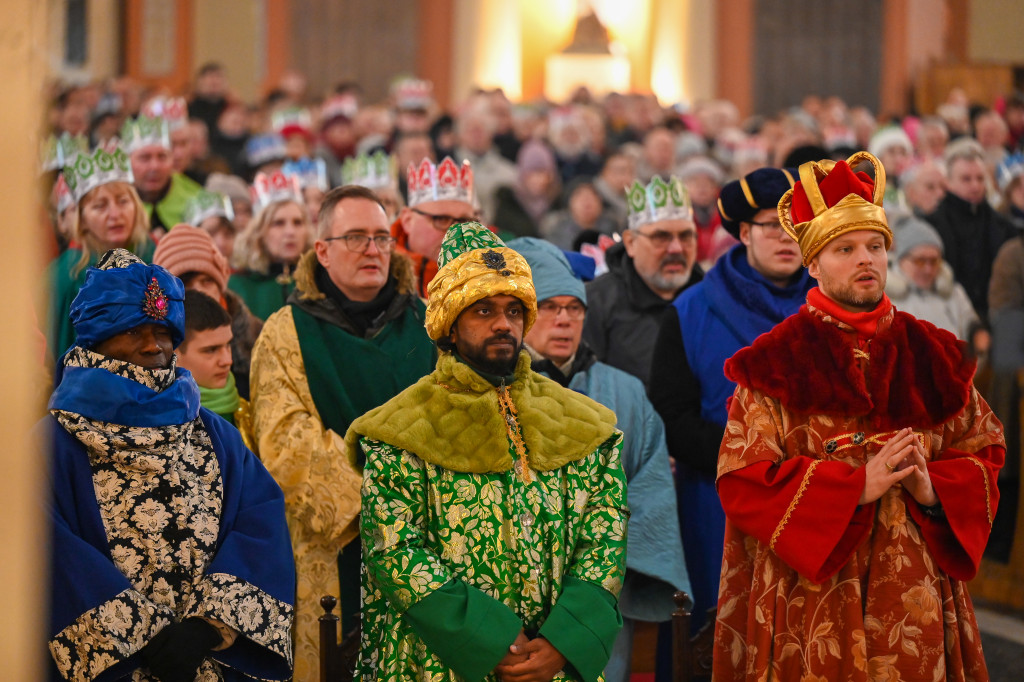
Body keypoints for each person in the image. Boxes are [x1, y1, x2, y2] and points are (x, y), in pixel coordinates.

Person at [713, 152, 1004, 680]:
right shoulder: (774, 363)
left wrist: (933, 490)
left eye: (874, 246)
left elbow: (985, 450)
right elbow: (741, 480)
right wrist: (851, 488)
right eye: (844, 249)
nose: (865, 259)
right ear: (814, 264)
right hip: (813, 598)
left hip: (914, 594)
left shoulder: (932, 352)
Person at [346, 222, 627, 681]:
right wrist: (491, 639)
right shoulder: (399, 430)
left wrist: (563, 641)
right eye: (482, 310)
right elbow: (394, 552)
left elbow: (606, 537)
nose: (502, 323)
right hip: (442, 662)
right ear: (449, 327)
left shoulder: (586, 425)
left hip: (553, 663)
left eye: (514, 310)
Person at [44, 249, 294, 681]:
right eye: (132, 330)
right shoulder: (50, 446)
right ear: (95, 340)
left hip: (208, 658)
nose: (154, 345)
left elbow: (260, 521)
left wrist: (205, 628)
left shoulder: (217, 435)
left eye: (163, 330)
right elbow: (48, 553)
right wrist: (144, 636)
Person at [249, 185, 436, 681]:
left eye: (380, 237)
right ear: (323, 251)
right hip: (331, 547)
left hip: (429, 545)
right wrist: (385, 501)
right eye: (355, 237)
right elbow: (284, 441)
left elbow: (453, 422)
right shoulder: (285, 332)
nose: (372, 249)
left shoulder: (430, 326)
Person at [509, 236, 688, 682]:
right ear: (522, 313)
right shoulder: (492, 391)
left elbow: (650, 494)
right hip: (507, 593)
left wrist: (598, 578)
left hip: (600, 595)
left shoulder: (623, 392)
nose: (565, 319)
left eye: (576, 308)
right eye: (551, 306)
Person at [648, 167, 814, 637]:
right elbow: (672, 416)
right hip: (718, 503)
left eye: (796, 226)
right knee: (720, 635)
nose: (787, 238)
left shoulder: (829, 305)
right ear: (743, 232)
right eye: (771, 226)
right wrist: (755, 458)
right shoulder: (691, 309)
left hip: (816, 497)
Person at [583, 176, 704, 387]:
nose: (676, 248)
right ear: (630, 242)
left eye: (686, 236)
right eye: (661, 237)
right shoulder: (595, 302)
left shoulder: (711, 299)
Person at [46, 143, 156, 358]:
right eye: (100, 206)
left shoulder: (151, 252)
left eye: (123, 201)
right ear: (82, 220)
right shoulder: (68, 275)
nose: (115, 214)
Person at [153, 224, 263, 400]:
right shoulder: (148, 354)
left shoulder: (258, 339)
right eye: (184, 284)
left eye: (206, 281)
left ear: (221, 286)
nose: (198, 292)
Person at [924, 138, 1017, 321]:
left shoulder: (1005, 227)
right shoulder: (931, 225)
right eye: (966, 179)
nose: (975, 185)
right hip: (947, 315)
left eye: (980, 178)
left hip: (995, 316)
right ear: (948, 182)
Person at [229, 171, 315, 320]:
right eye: (278, 223)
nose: (290, 232)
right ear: (259, 232)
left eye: (298, 222)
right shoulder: (238, 287)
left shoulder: (322, 280)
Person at [392, 156, 477, 298]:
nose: (456, 234)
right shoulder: (380, 277)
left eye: (464, 221)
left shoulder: (489, 277)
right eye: (442, 219)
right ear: (407, 220)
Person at [886, 216, 982, 343]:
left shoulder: (953, 293)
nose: (928, 269)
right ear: (901, 259)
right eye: (920, 261)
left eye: (934, 261)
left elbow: (971, 325)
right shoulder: (883, 301)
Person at [122, 113, 203, 235]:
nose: (155, 166)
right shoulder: (115, 203)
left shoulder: (195, 197)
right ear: (127, 162)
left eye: (162, 157)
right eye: (145, 158)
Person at [178, 289, 247, 428]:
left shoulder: (248, 413)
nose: (227, 361)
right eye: (211, 350)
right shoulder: (162, 424)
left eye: (228, 345)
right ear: (174, 354)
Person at [492, 140, 561, 239]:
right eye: (531, 172)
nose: (537, 179)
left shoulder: (557, 203)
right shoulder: (507, 203)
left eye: (542, 172)